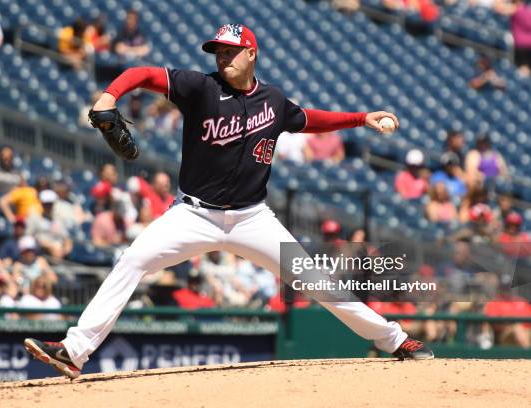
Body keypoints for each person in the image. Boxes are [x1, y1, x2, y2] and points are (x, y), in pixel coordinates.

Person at [24, 23, 432, 379]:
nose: (223, 57)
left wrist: (361, 118)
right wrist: (109, 95)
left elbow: (309, 119)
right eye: (218, 51)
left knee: (315, 281)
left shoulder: (272, 101)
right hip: (193, 214)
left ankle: (395, 340)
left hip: (253, 219)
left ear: (252, 54)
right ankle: (74, 352)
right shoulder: (200, 87)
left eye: (231, 51)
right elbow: (142, 72)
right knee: (132, 260)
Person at [26, 189, 72, 260]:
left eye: (50, 204)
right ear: (42, 204)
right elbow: (29, 236)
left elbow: (66, 237)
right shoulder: (35, 218)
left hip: (59, 248)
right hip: (42, 248)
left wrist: (66, 248)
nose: (48, 206)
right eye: (46, 204)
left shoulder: (57, 219)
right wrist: (49, 246)